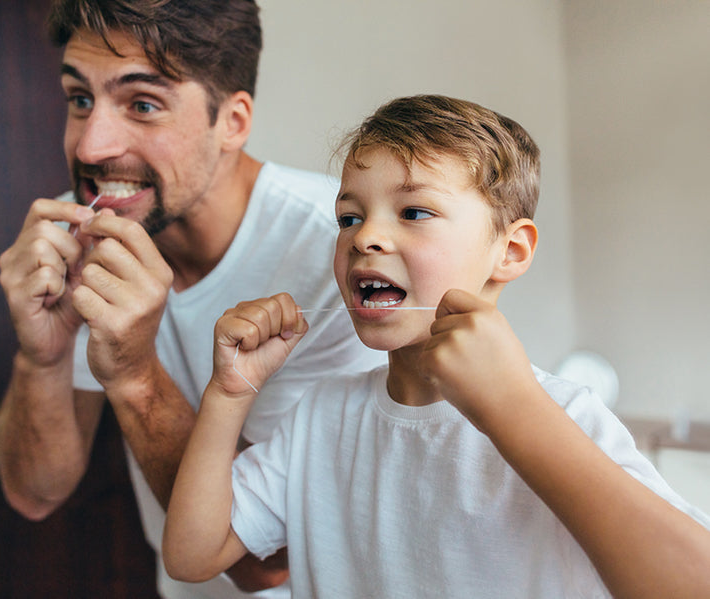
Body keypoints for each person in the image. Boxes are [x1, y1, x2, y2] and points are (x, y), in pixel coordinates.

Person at [162, 94, 710, 598]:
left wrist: (512, 407)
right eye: (348, 218)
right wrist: (229, 394)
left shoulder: (564, 414)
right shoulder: (321, 417)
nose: (364, 237)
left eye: (413, 212)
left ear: (511, 251)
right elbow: (192, 555)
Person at [0, 1, 384, 598]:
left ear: (233, 120)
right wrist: (40, 356)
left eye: (142, 104)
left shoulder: (345, 256)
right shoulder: (83, 242)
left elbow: (266, 561)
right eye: (79, 99)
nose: (92, 147)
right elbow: (34, 493)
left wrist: (135, 375)